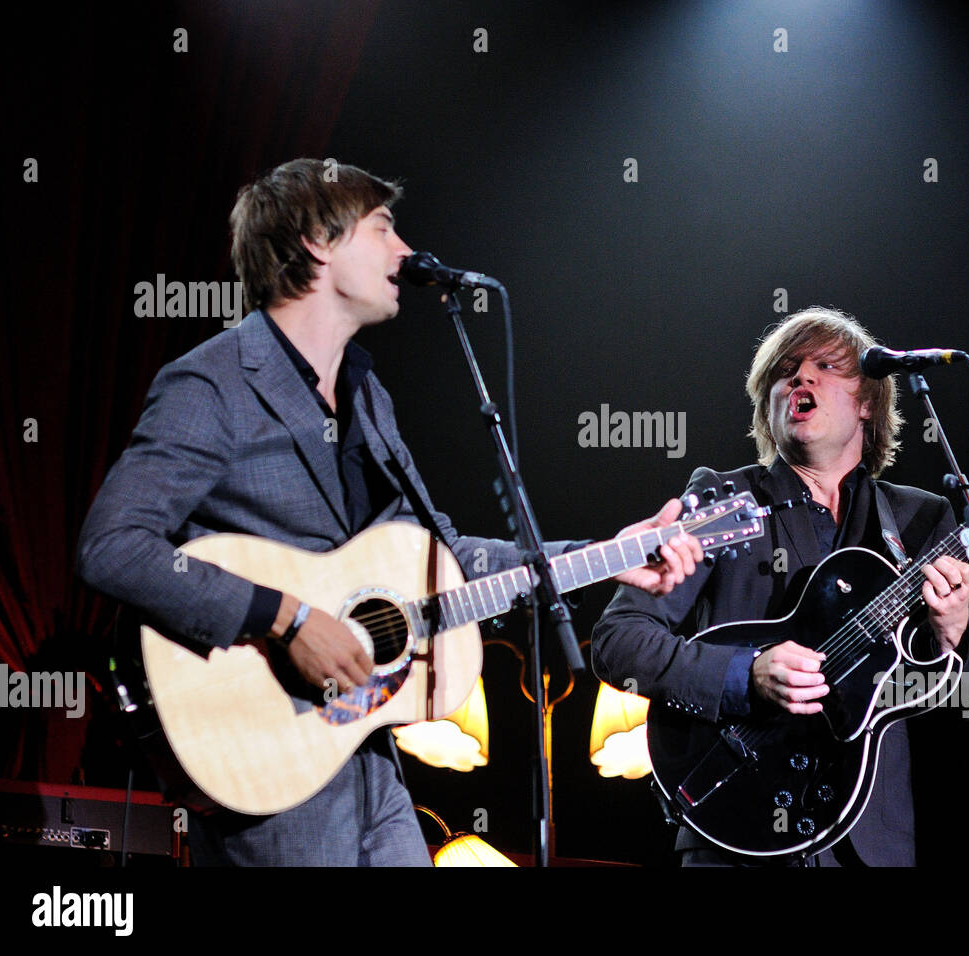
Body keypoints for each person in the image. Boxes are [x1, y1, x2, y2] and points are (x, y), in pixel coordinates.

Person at [76, 158, 701, 866]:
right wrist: (288, 618)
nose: (404, 251)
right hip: (271, 756)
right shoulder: (213, 383)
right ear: (317, 240)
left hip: (368, 754)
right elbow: (112, 546)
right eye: (383, 228)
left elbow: (441, 557)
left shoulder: (366, 394)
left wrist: (608, 551)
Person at [592, 306, 969, 866]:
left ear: (867, 404)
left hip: (869, 844)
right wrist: (743, 676)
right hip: (734, 822)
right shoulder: (723, 502)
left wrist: (953, 636)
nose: (800, 378)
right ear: (769, 405)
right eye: (786, 370)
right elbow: (618, 641)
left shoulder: (920, 519)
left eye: (826, 366)